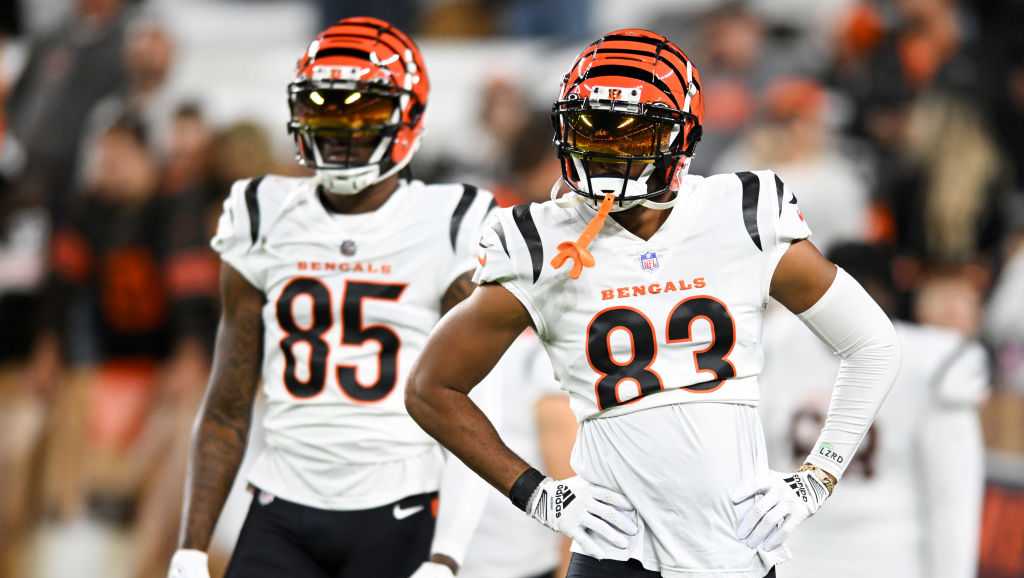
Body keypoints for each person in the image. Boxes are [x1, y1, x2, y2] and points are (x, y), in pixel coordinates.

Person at [405, 28, 901, 578]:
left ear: (681, 138)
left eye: (632, 135)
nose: (605, 151)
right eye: (591, 130)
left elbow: (872, 343)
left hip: (733, 551)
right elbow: (432, 389)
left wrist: (818, 477)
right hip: (615, 555)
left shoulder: (740, 214)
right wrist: (537, 495)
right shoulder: (540, 242)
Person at [167, 17, 496, 578]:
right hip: (280, 506)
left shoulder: (451, 222)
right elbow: (227, 403)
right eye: (325, 108)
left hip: (400, 507)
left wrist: (447, 554)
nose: (341, 129)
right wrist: (191, 549)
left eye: (362, 112)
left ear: (407, 116)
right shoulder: (262, 212)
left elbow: (478, 407)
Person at [760, 242, 988, 578]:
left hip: (840, 557)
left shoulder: (936, 364)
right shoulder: (776, 343)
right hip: (825, 555)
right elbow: (953, 504)